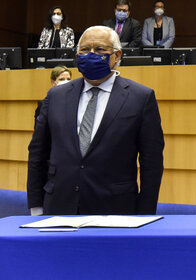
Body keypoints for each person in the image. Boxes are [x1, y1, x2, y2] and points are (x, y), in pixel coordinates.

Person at [27, 25, 165, 215]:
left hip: (116, 210)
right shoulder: (56, 96)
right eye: (84, 50)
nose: (91, 54)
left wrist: (145, 213)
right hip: (58, 206)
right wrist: (36, 205)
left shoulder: (140, 97)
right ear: (76, 56)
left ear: (117, 55)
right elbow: (37, 152)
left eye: (100, 49)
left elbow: (152, 163)